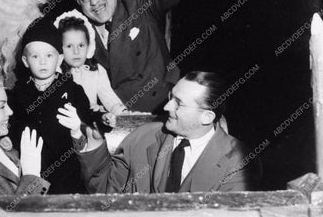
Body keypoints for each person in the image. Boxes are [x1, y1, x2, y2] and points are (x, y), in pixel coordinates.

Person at [72, 71, 261, 194]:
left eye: (179, 103)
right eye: (171, 97)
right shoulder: (141, 138)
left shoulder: (238, 162)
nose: (167, 106)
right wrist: (95, 147)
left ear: (206, 117)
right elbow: (107, 195)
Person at [8, 19, 95, 194]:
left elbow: (88, 129)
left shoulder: (73, 91)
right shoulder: (18, 94)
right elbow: (11, 126)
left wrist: (78, 129)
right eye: (35, 56)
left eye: (49, 56)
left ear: (60, 58)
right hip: (29, 170)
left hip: (67, 173)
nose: (42, 62)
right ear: (25, 61)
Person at [54, 9, 127, 128]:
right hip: (64, 125)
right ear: (59, 48)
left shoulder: (96, 70)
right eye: (69, 46)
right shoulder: (57, 73)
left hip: (90, 124)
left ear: (89, 45)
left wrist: (120, 113)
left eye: (81, 45)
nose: (76, 51)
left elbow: (110, 98)